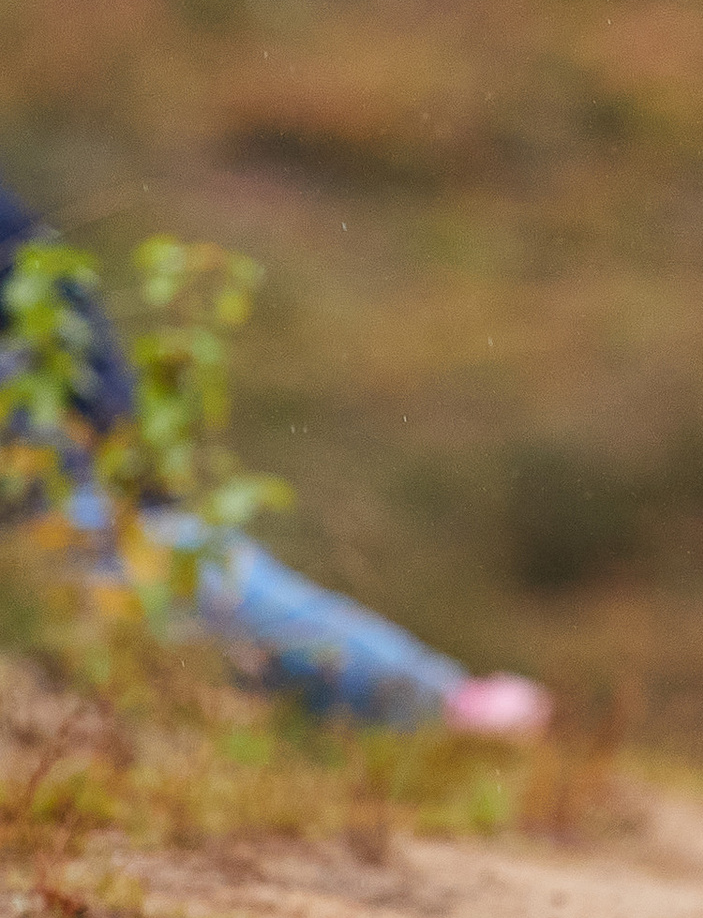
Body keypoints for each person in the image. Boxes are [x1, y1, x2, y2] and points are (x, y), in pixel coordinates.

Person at [0, 180, 548, 738]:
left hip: (58, 478)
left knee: (153, 557)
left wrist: (130, 457)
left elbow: (66, 318)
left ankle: (435, 701)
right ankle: (437, 702)